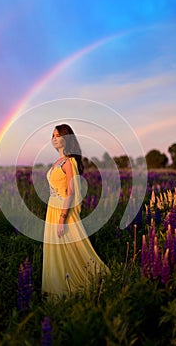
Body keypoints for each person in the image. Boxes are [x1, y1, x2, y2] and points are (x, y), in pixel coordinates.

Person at [42, 124, 109, 297]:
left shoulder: (69, 162)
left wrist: (62, 218)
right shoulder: (57, 162)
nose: (54, 138)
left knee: (72, 247)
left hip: (63, 210)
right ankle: (58, 283)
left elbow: (71, 192)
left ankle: (79, 282)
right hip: (52, 208)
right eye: (53, 135)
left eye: (58, 135)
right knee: (58, 248)